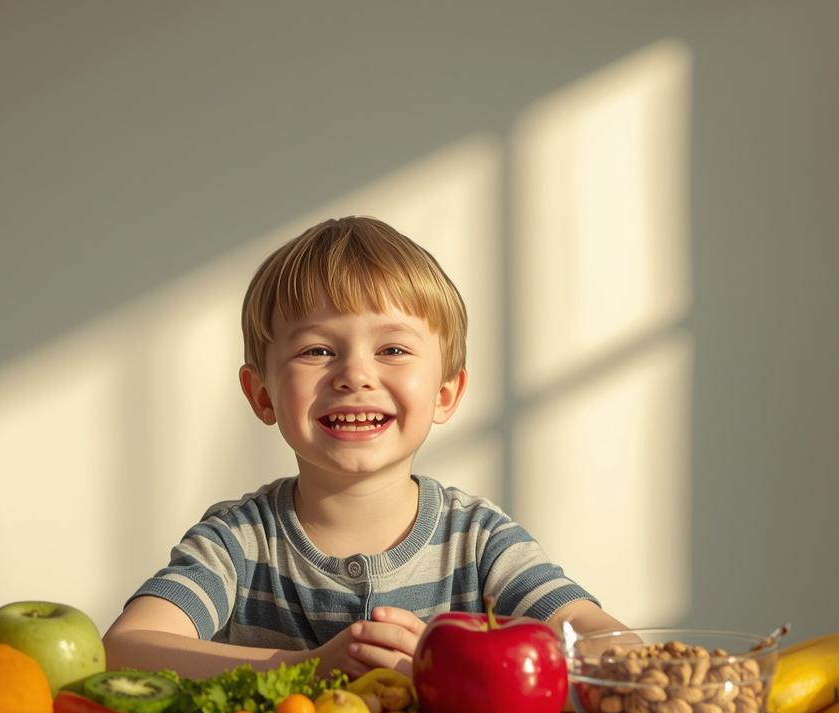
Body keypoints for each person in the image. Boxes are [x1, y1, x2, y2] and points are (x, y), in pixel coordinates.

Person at [102, 216, 627, 680]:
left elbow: (606, 642)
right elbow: (125, 649)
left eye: (393, 349)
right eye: (317, 350)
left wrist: (455, 665)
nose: (355, 375)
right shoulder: (237, 542)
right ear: (262, 395)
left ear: (446, 393)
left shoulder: (480, 542)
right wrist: (302, 670)